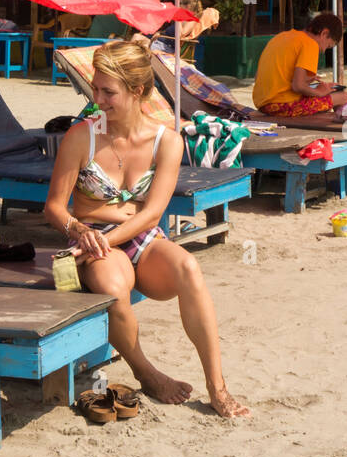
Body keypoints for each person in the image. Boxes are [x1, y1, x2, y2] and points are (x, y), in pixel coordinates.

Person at [44, 40, 249, 419]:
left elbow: (152, 215)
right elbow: (54, 206)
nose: (97, 99)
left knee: (189, 268)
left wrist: (106, 238)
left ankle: (217, 386)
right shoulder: (81, 137)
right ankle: (146, 372)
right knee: (111, 286)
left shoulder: (165, 141)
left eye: (108, 91)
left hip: (137, 236)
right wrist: (77, 230)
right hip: (90, 235)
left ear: (137, 91)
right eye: (95, 87)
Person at [252, 11, 347, 117]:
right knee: (342, 96)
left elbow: (260, 77)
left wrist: (309, 81)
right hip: (281, 106)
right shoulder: (310, 44)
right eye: (328, 45)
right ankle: (342, 125)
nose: (324, 50)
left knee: (326, 95)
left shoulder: (282, 36)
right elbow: (298, 86)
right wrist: (320, 92)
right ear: (324, 34)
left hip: (262, 104)